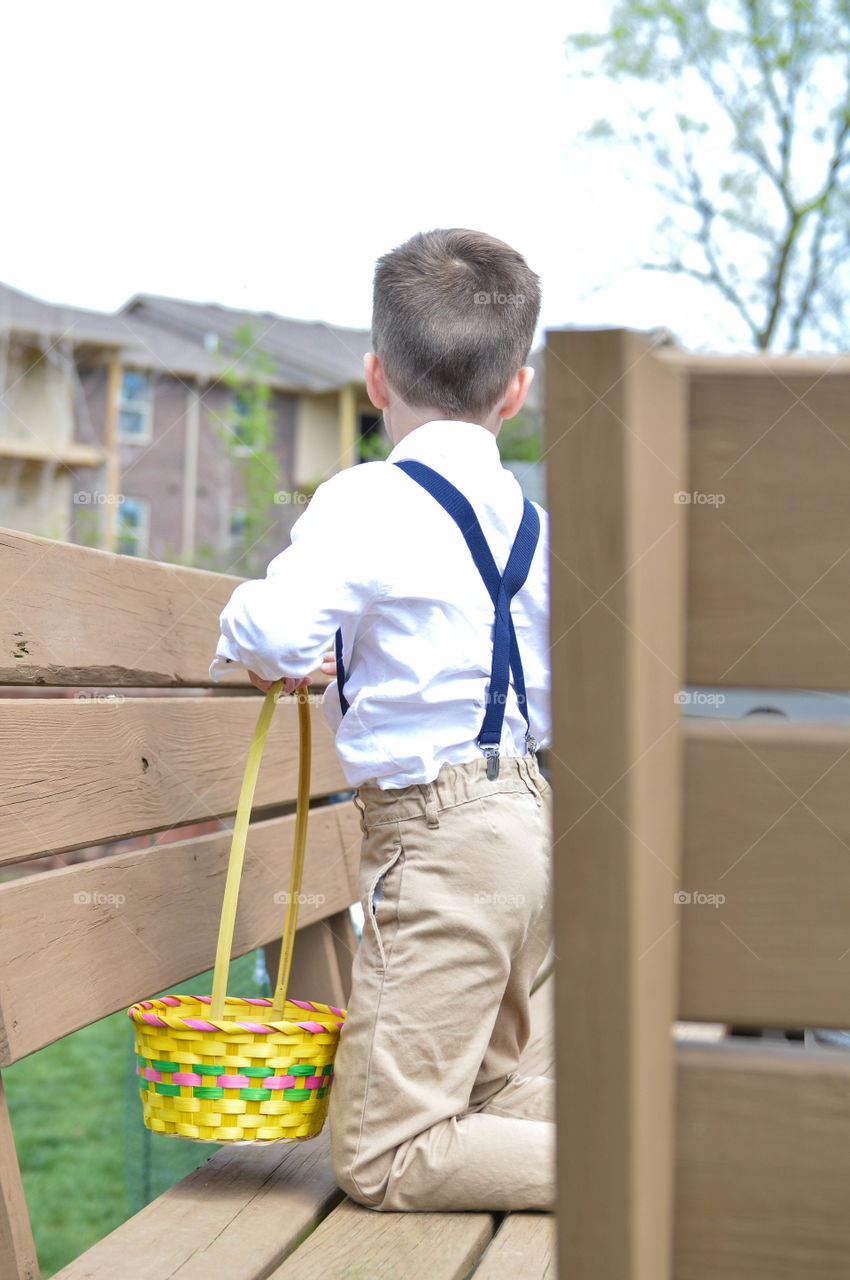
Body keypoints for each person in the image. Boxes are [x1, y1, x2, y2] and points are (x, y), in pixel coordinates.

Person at [209, 228, 554, 1212]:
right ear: (514, 389)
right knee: (487, 1086)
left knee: (381, 1151)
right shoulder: (532, 523)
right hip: (523, 826)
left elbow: (276, 628)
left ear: (374, 376)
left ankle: (640, 1165)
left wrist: (243, 641)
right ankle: (660, 1127)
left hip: (438, 839)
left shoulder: (366, 499)